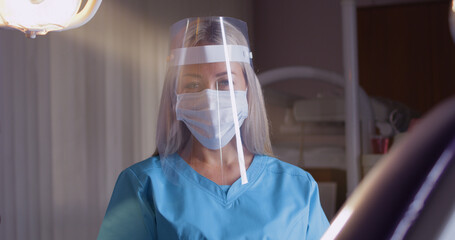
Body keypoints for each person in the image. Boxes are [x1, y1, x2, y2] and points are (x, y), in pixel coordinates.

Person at [98, 16, 329, 240]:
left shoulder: (297, 187)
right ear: (175, 94)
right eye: (193, 84)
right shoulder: (144, 185)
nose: (210, 98)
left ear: (247, 88)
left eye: (224, 82)